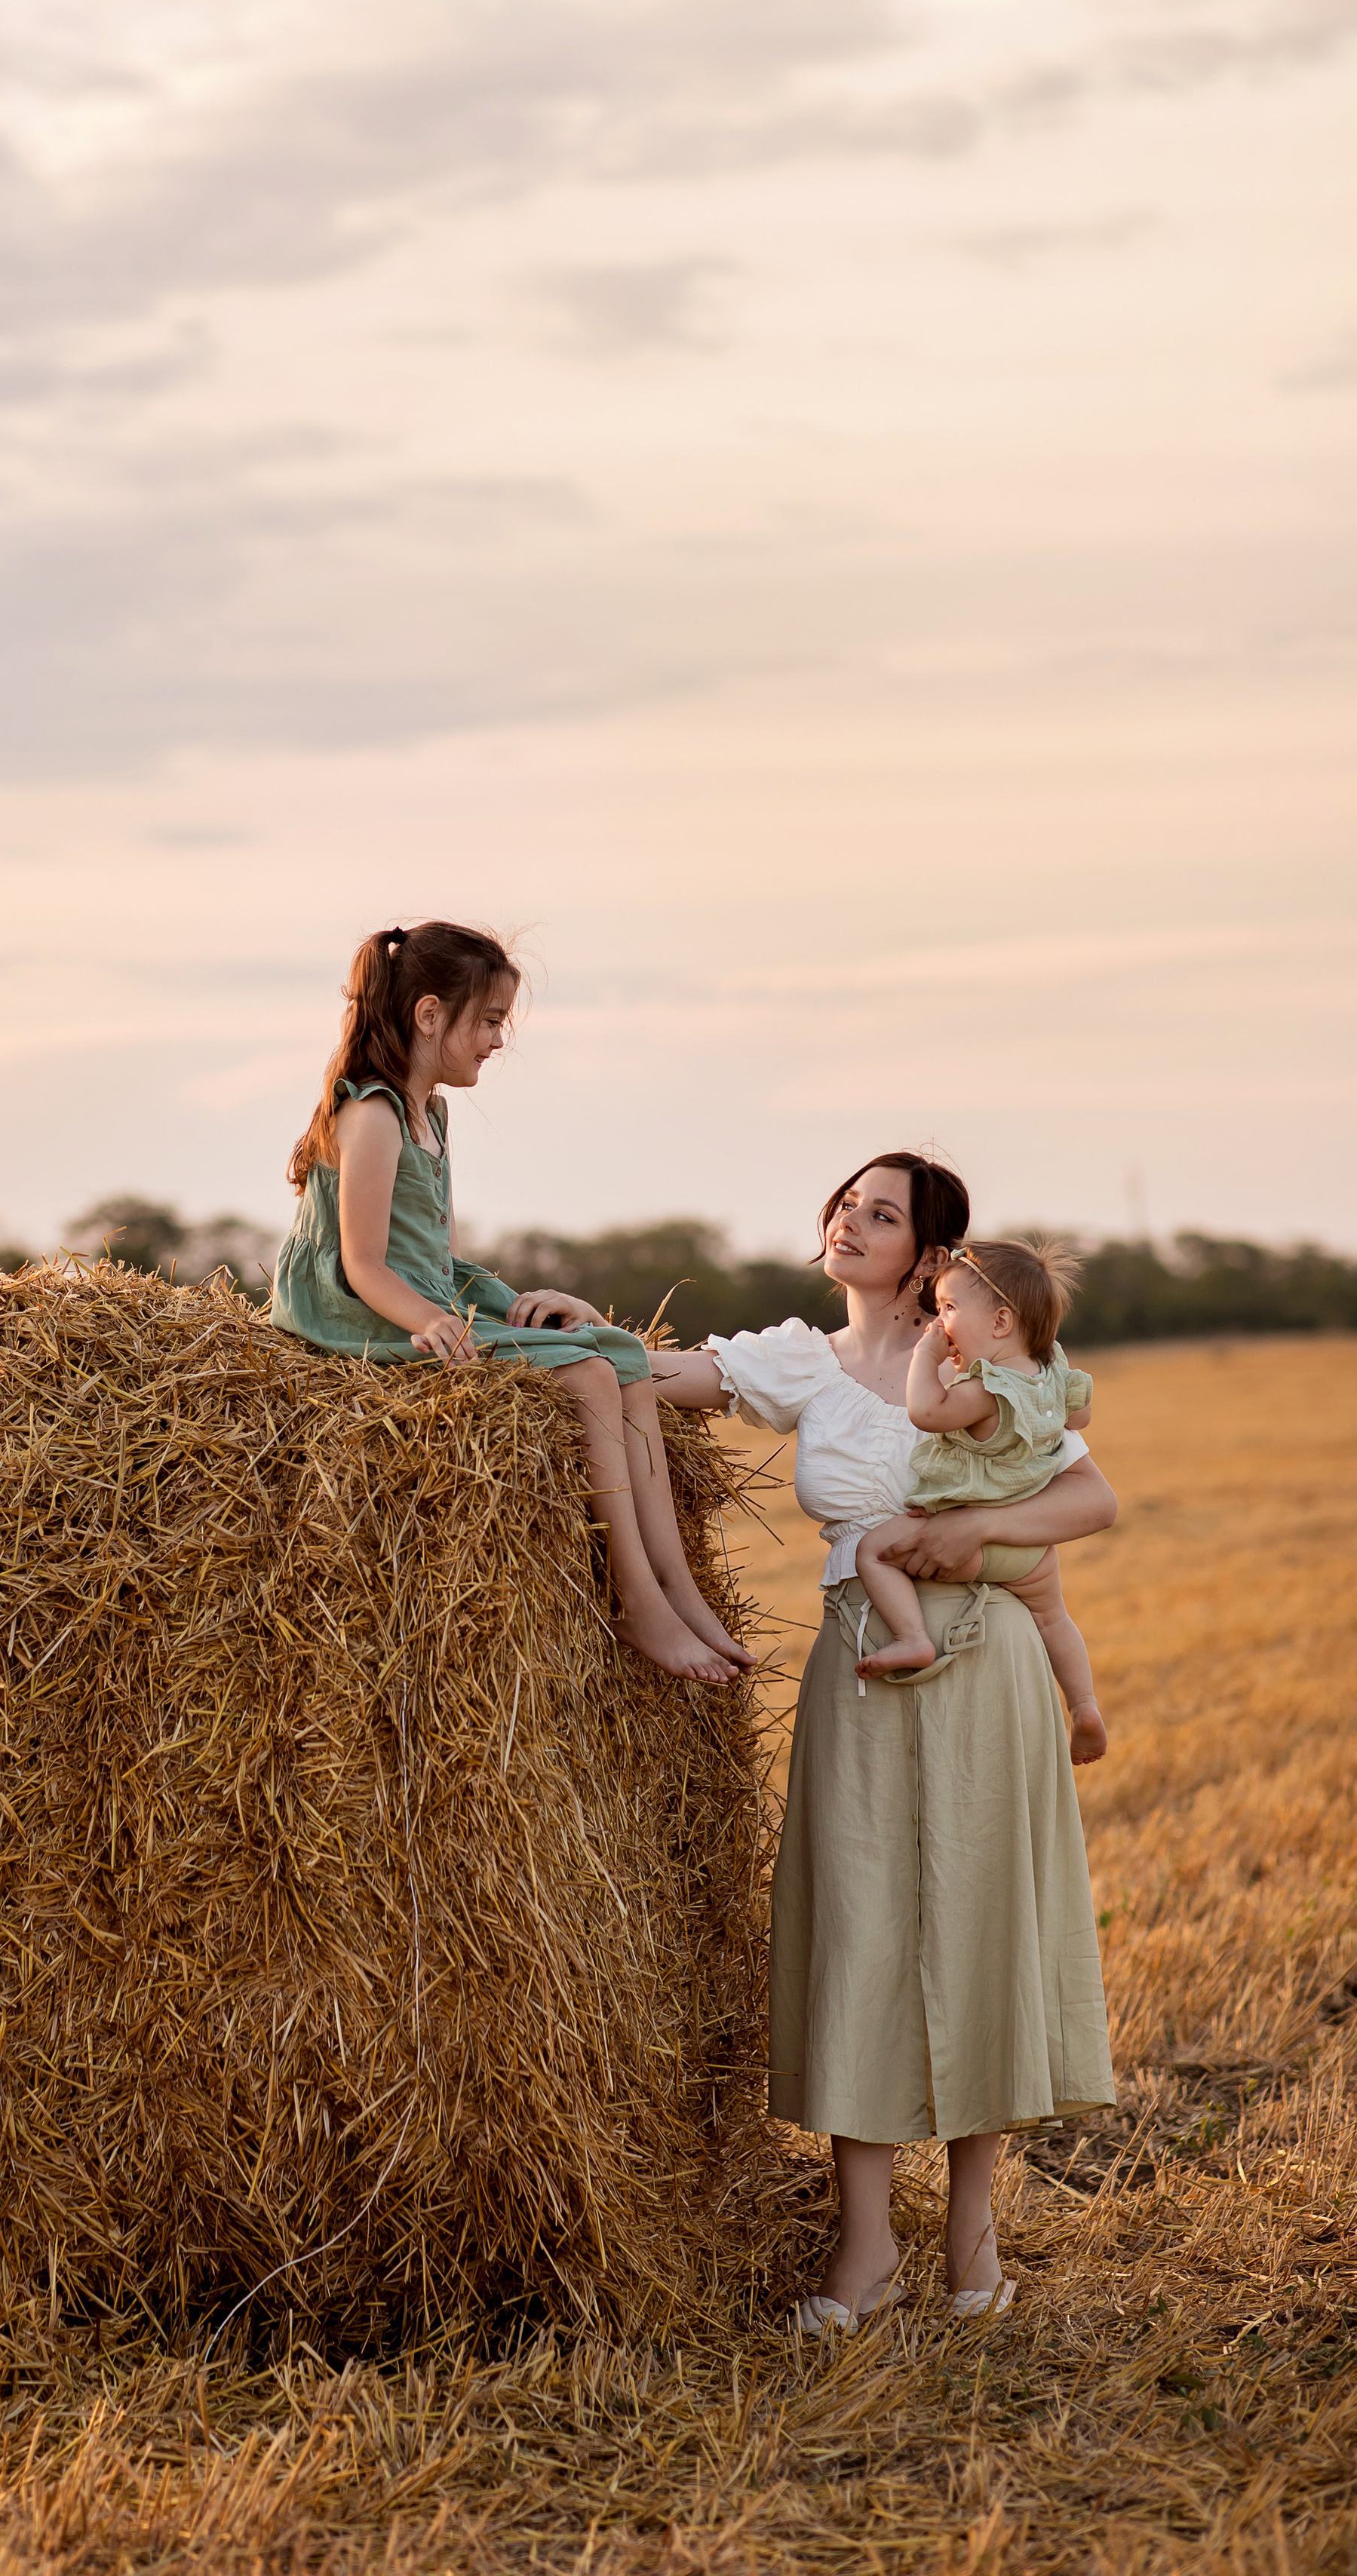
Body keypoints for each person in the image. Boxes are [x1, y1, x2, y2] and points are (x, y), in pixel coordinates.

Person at [644, 1152, 1117, 2326]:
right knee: (857, 1931)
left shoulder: (984, 1366)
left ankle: (973, 2246)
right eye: (846, 1204)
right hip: (860, 1664)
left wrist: (981, 1532)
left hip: (988, 1660)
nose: (851, 1222)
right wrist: (546, 1332)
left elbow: (1088, 1500)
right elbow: (660, 1373)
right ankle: (866, 2253)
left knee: (976, 1929)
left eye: (884, 1214)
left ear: (931, 1252)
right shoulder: (804, 1361)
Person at [269, 918, 755, 1685]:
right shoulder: (372, 1114)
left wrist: (487, 1297)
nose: (499, 1041)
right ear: (430, 1016)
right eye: (489, 1021)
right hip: (356, 1314)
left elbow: (428, 1251)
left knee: (621, 1357)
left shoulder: (433, 1111)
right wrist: (431, 1318)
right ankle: (637, 1599)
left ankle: (679, 1589)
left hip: (418, 1291)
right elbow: (362, 1266)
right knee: (589, 1376)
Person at [854, 1238, 1108, 1763]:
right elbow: (1077, 1418)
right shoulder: (1052, 1374)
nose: (939, 1321)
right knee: (1054, 1619)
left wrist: (926, 1360)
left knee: (873, 1552)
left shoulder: (988, 1388)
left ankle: (911, 1638)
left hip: (964, 1540)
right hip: (1032, 1549)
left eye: (948, 1309)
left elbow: (927, 1412)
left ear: (999, 1323)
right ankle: (1083, 1704)